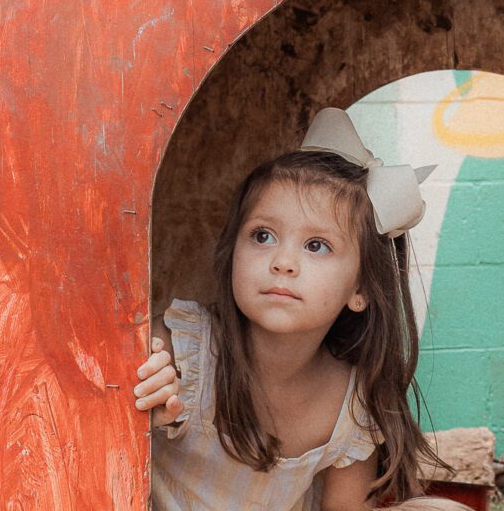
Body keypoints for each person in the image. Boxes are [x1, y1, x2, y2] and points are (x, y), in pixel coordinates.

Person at [134, 108, 470, 511]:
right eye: (263, 235)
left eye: (316, 245)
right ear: (232, 251)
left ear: (360, 288)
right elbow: (114, 385)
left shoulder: (352, 401)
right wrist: (146, 384)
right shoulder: (186, 349)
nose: (283, 261)